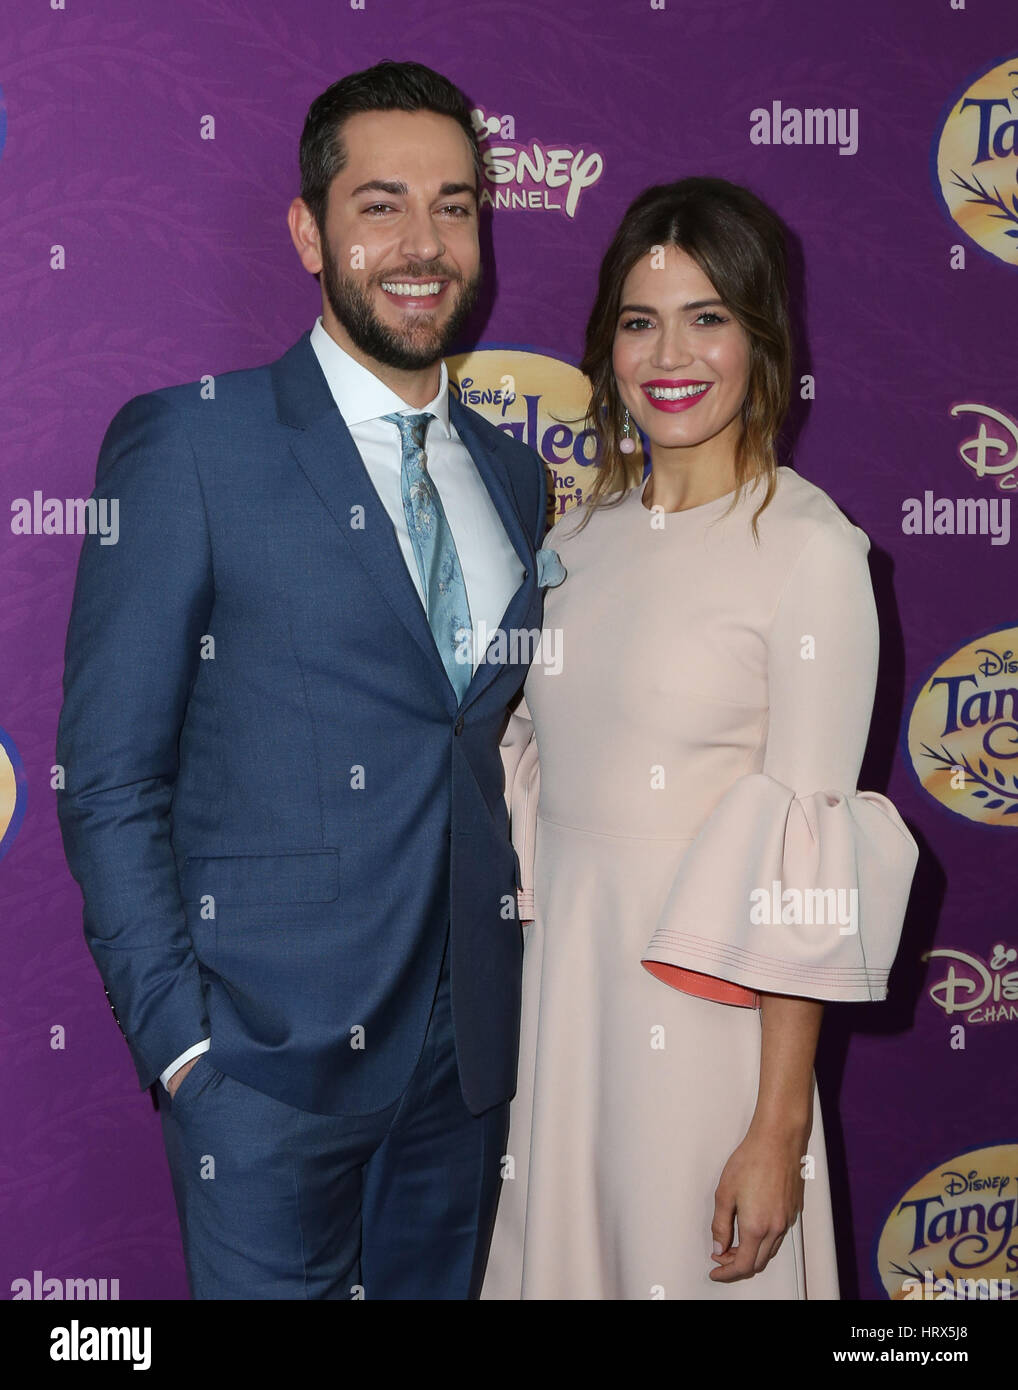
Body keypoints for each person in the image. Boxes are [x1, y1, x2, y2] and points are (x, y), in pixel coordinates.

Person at [55, 59, 548, 1300]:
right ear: (309, 231)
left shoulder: (512, 476)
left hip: (463, 1066)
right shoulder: (194, 441)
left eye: (455, 204)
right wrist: (183, 1051)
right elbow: (109, 778)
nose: (423, 243)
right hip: (262, 1076)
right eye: (381, 204)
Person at [482, 177, 919, 1300]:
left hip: (707, 1038)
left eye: (707, 316)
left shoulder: (811, 553)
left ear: (761, 336)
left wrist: (776, 1130)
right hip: (560, 1020)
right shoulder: (576, 536)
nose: (669, 353)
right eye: (640, 321)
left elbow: (808, 873)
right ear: (607, 347)